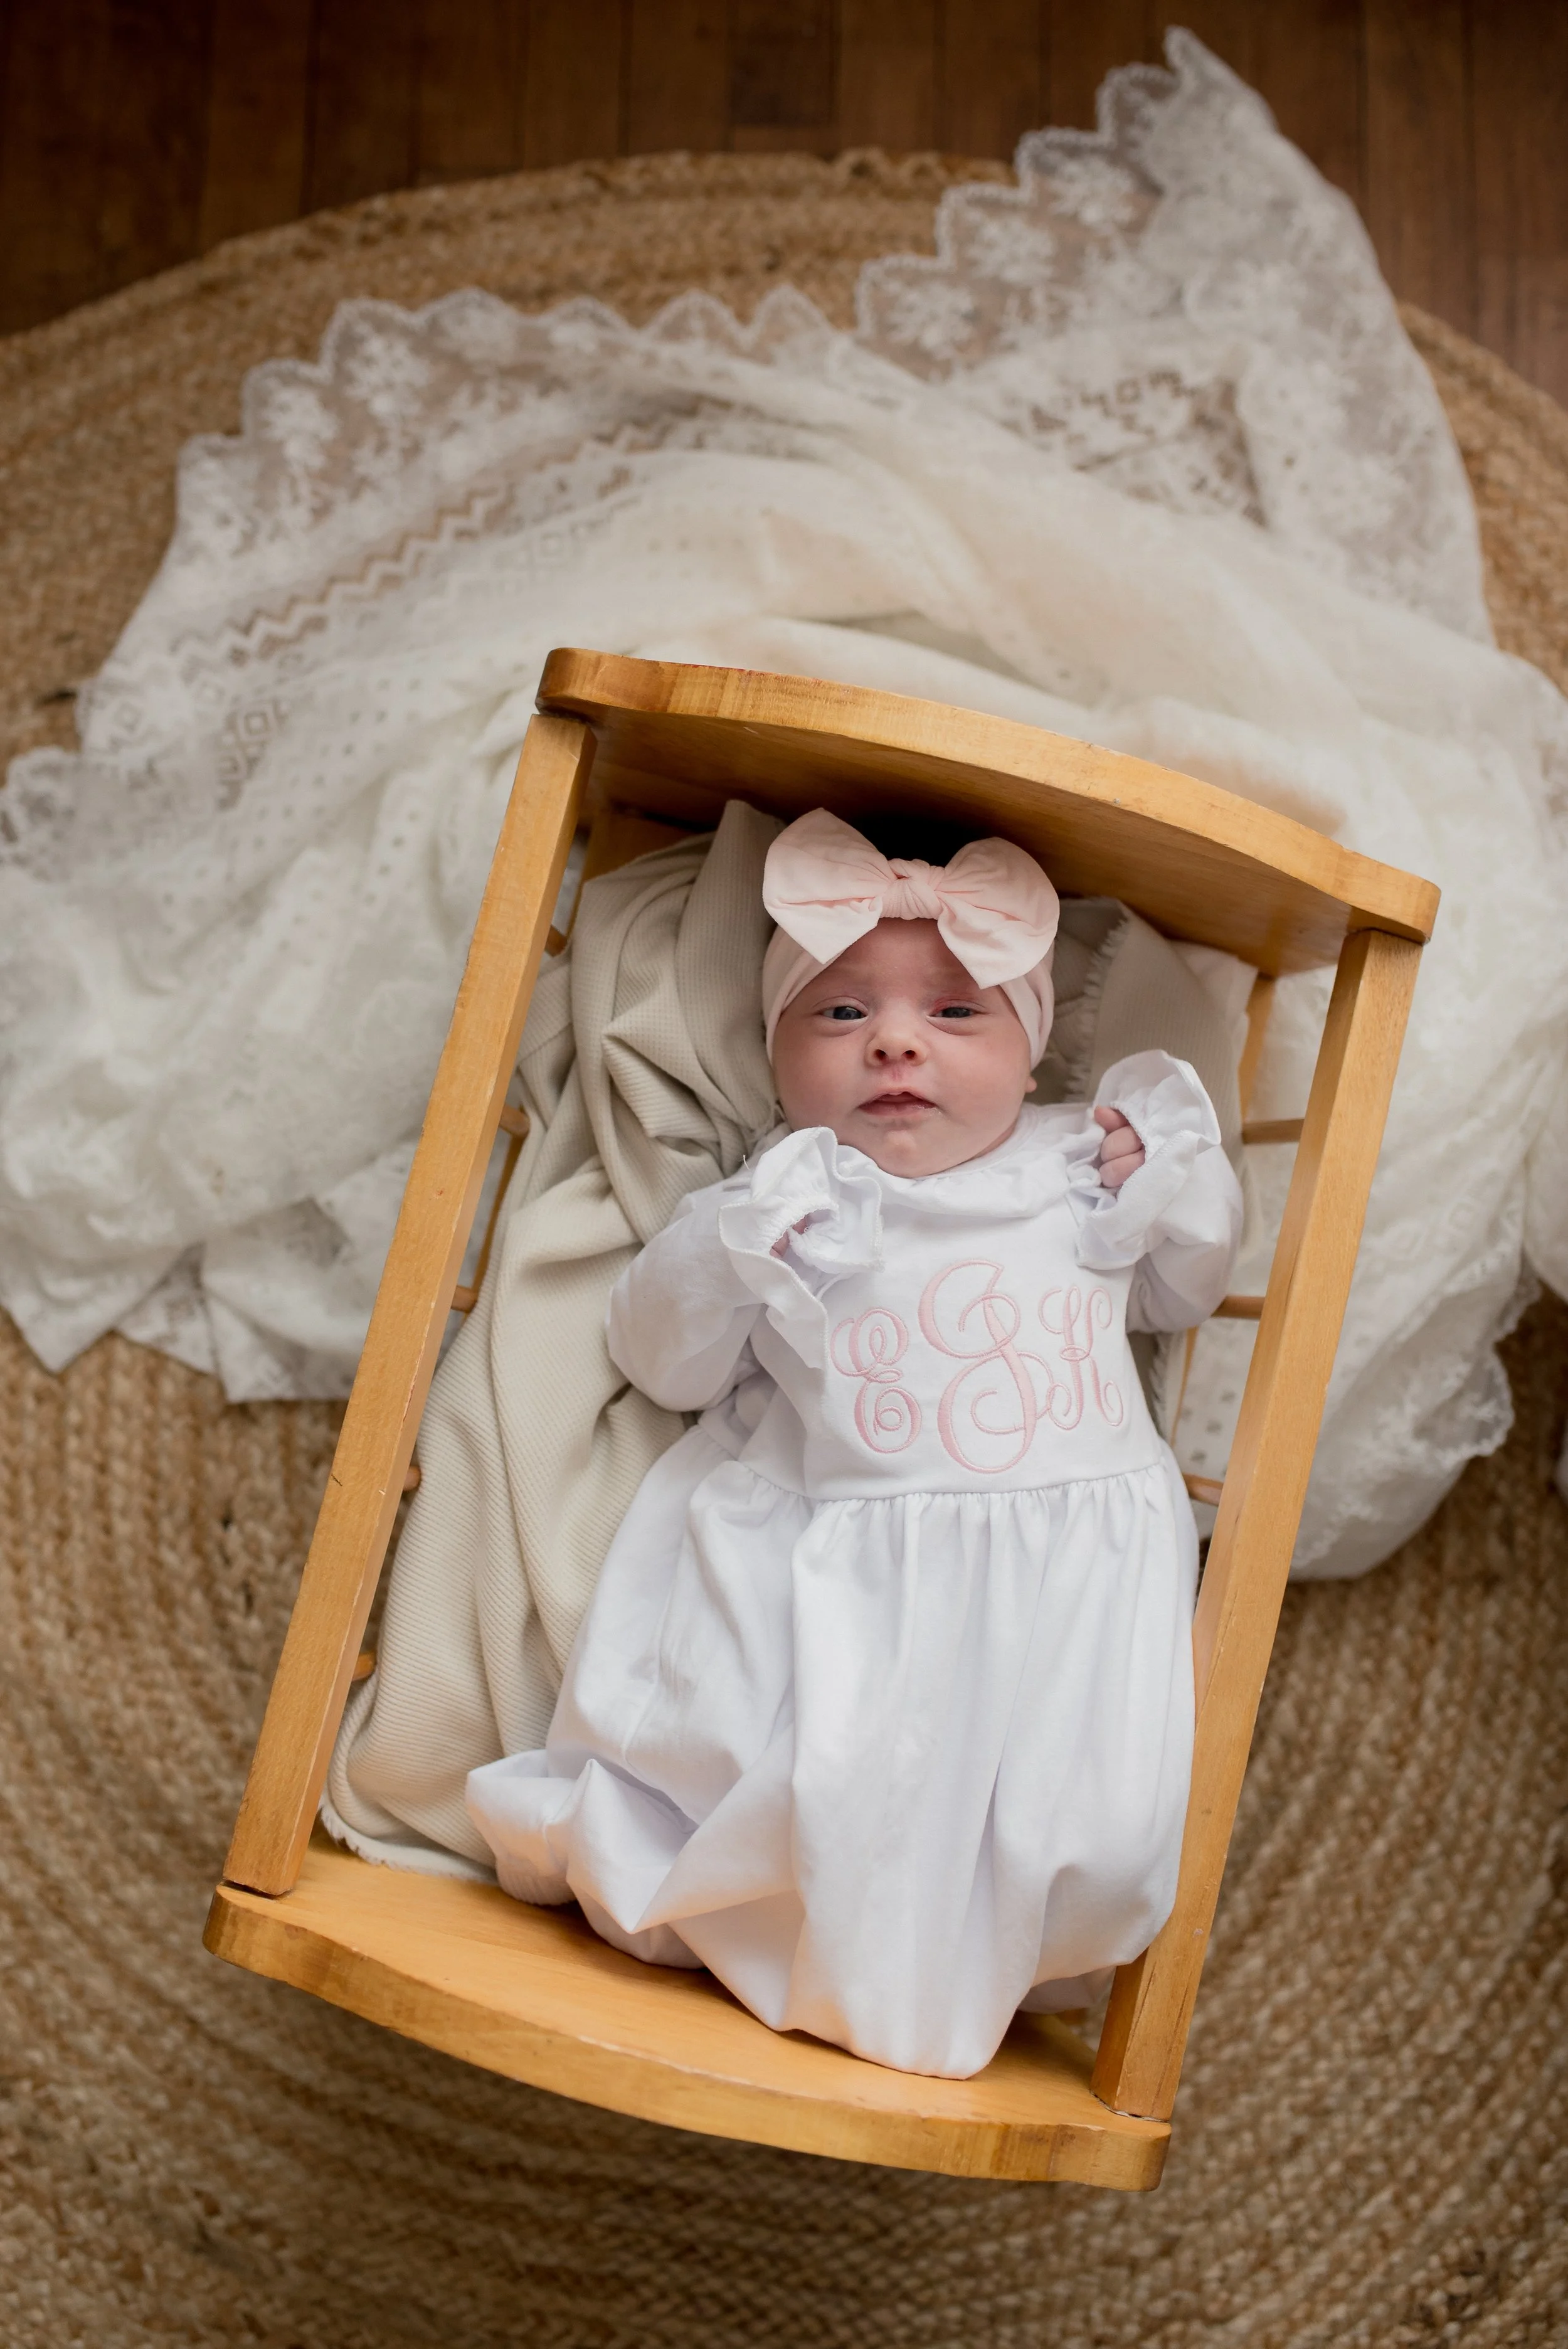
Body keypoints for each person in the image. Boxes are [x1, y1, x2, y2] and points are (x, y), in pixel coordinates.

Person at [465, 809, 1244, 2078]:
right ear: (774, 1062)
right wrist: (731, 1253)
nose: (891, 1038)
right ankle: (812, 1939)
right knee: (816, 1789)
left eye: (954, 1013)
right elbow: (661, 1360)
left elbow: (1183, 1291)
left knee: (1093, 1828)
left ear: (1031, 1052)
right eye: (837, 1015)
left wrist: (1172, 1180)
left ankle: (984, 1948)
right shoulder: (783, 1196)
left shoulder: (1080, 1166)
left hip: (1069, 1565)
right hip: (846, 1563)